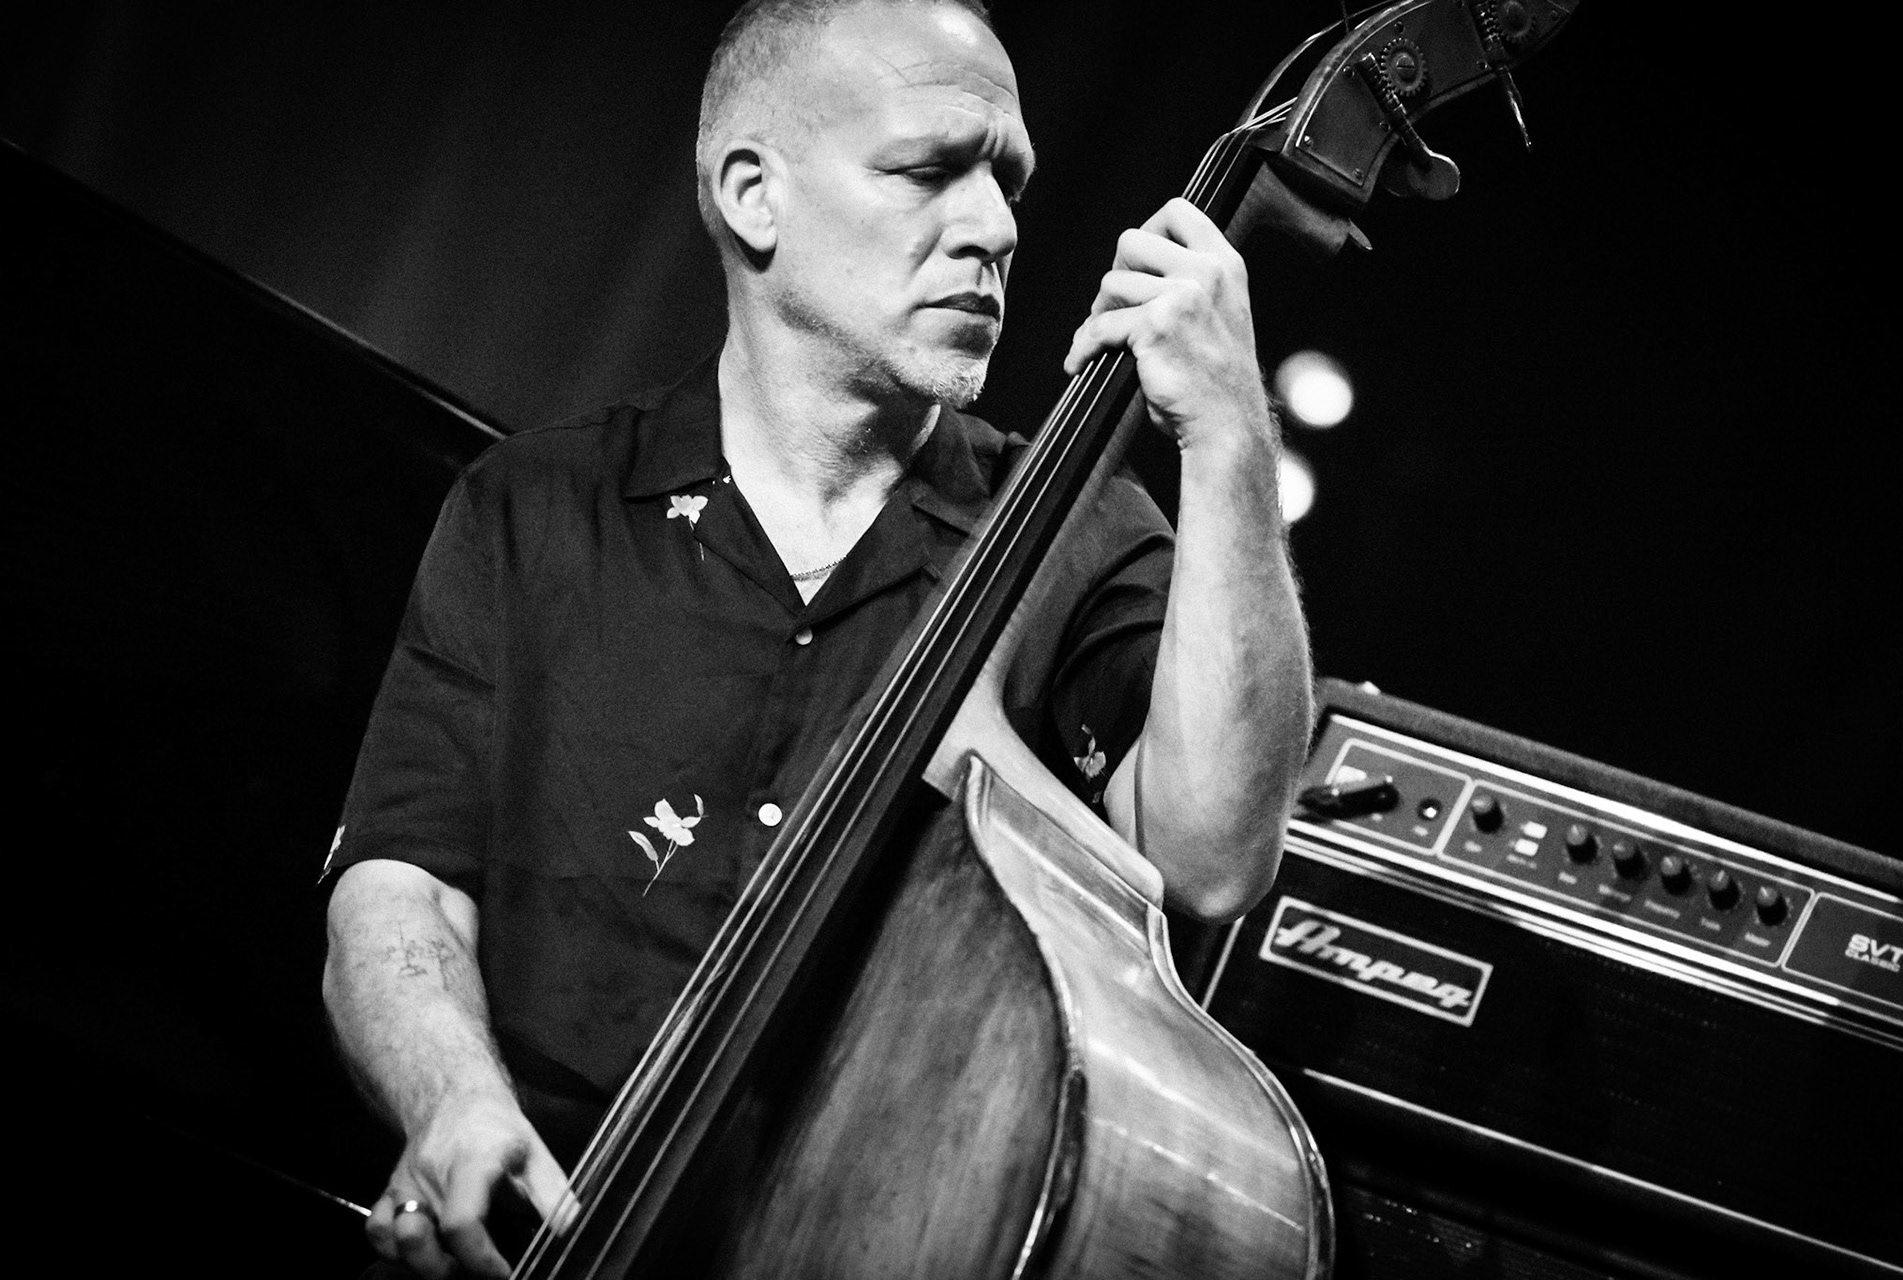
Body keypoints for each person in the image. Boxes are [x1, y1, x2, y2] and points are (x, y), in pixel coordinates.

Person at [321, 1, 1312, 1275]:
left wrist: (1229, 435)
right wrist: (453, 1094)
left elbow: (1214, 856)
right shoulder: (535, 508)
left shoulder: (1078, 535)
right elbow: (396, 886)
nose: (997, 227)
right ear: (753, 195)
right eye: (929, 169)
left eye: (1007, 179)